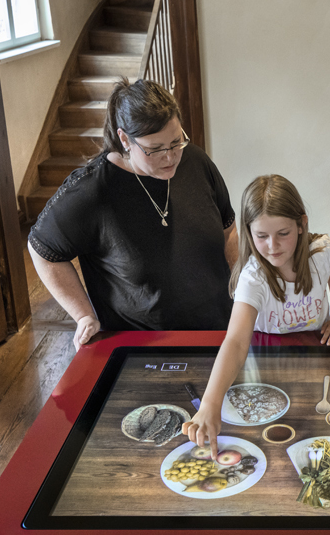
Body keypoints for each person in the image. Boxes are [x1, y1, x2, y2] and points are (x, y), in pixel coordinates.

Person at [27, 79, 237, 347]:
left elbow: (228, 229)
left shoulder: (196, 161)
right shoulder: (92, 191)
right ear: (125, 139)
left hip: (220, 333)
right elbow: (42, 250)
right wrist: (83, 315)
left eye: (176, 142)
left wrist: (240, 287)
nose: (170, 157)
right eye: (155, 149)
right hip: (143, 349)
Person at [182, 175, 330, 455]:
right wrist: (211, 405)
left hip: (316, 349)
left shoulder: (322, 251)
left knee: (312, 422)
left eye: (283, 233)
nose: (273, 245)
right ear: (248, 233)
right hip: (265, 357)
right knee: (273, 430)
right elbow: (236, 341)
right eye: (261, 236)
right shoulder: (253, 277)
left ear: (302, 224)